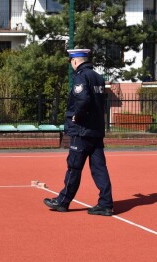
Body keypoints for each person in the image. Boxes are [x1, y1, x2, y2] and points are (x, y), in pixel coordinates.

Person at [43, 49, 114, 216]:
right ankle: (106, 204)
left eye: (71, 62)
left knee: (74, 167)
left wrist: (76, 116)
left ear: (75, 61)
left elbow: (83, 100)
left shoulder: (81, 76)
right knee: (99, 169)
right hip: (96, 130)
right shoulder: (97, 77)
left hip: (82, 131)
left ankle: (63, 201)